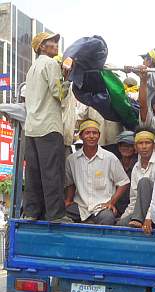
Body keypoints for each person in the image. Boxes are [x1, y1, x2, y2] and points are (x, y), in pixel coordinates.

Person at [24, 32, 71, 222]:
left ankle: (31, 213)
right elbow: (58, 93)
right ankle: (56, 214)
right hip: (49, 127)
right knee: (52, 172)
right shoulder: (51, 64)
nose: (55, 44)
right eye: (52, 42)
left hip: (31, 127)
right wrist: (66, 78)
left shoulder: (32, 67)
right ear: (42, 46)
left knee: (34, 173)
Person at [65, 120, 130, 225]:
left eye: (95, 133)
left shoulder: (110, 158)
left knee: (108, 218)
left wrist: (112, 202)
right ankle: (87, 222)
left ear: (99, 136)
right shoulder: (72, 160)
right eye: (87, 133)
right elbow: (71, 183)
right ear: (81, 136)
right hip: (80, 207)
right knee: (59, 214)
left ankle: (89, 223)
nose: (91, 136)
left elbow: (124, 182)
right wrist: (68, 200)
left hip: (101, 208)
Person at [117, 127, 155, 232]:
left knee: (144, 181)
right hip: (139, 215)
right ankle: (137, 219)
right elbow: (134, 199)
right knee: (120, 225)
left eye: (147, 143)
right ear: (135, 147)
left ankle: (138, 219)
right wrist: (124, 217)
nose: (144, 147)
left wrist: (148, 217)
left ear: (154, 146)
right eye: (140, 143)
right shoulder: (136, 167)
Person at [115, 130, 138, 216]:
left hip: (133, 208)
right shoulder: (115, 163)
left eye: (129, 146)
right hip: (116, 207)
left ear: (135, 149)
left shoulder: (138, 166)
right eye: (123, 145)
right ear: (119, 147)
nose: (125, 148)